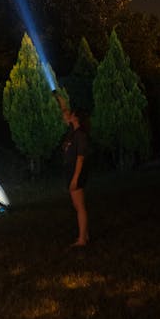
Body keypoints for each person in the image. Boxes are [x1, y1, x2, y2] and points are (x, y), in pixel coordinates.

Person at [53, 90, 90, 247]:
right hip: (71, 172)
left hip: (77, 173)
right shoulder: (72, 131)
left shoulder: (80, 135)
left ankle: (82, 239)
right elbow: (64, 112)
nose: (70, 115)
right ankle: (85, 235)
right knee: (77, 206)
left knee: (80, 207)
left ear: (77, 118)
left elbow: (80, 158)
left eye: (73, 114)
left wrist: (75, 178)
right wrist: (58, 98)